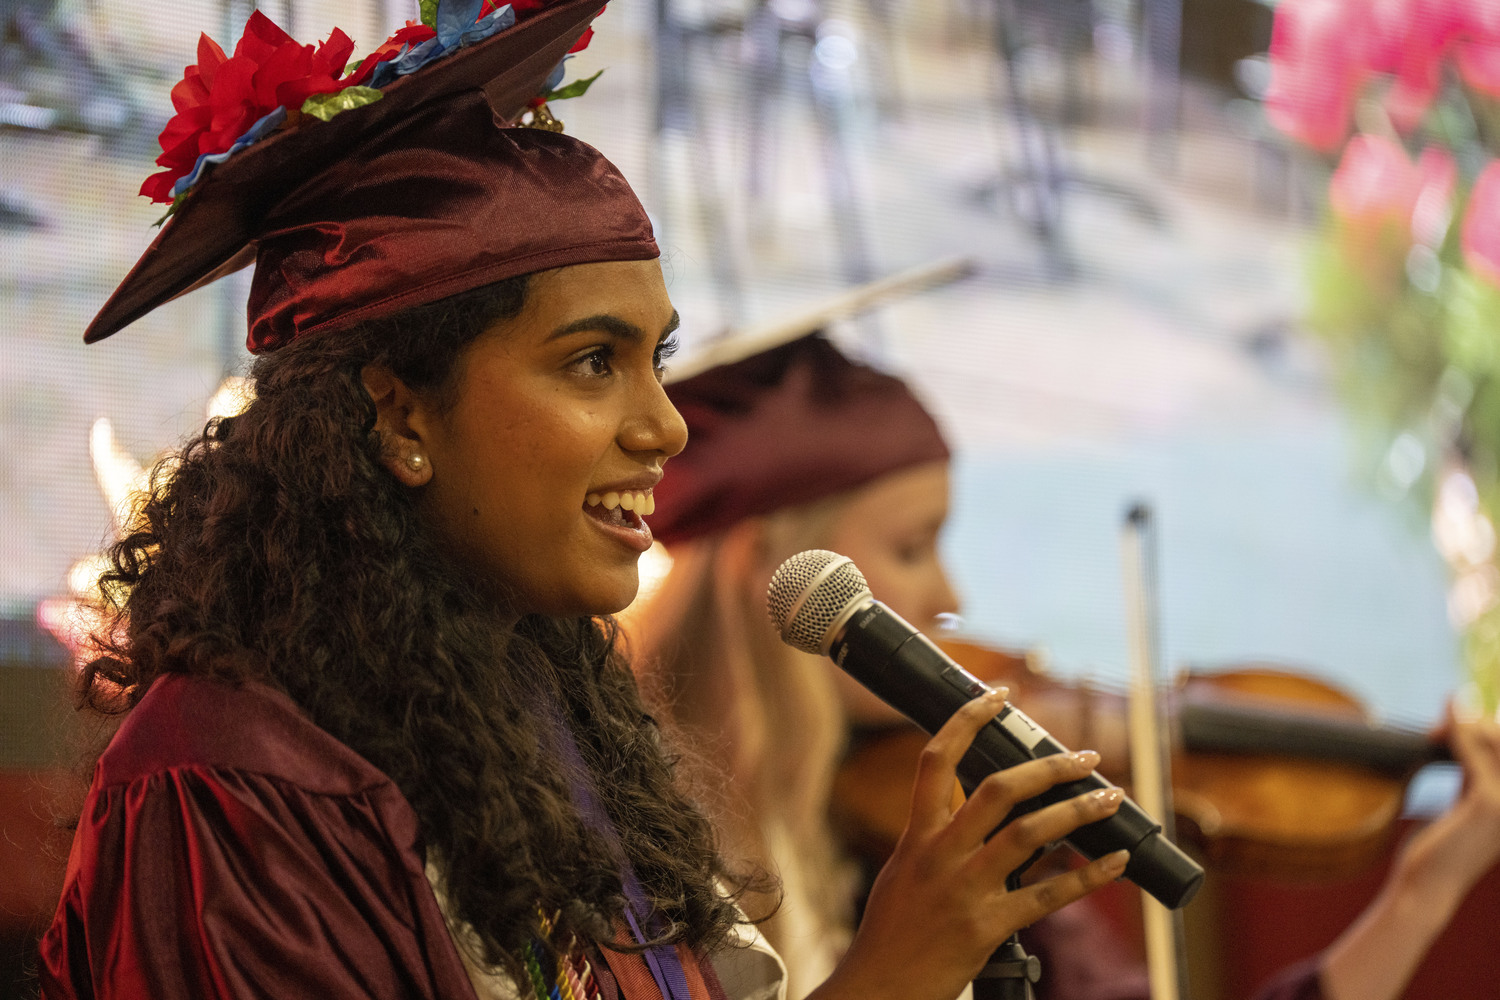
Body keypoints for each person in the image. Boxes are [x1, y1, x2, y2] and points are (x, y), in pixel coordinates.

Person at [35, 3, 1132, 999]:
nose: (666, 425)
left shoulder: (541, 725)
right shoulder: (226, 785)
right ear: (400, 416)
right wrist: (888, 978)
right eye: (592, 362)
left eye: (657, 357)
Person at [631, 329, 1500, 1000]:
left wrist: (1423, 893)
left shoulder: (948, 822)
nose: (948, 588)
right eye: (908, 546)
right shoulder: (625, 840)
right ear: (768, 574)